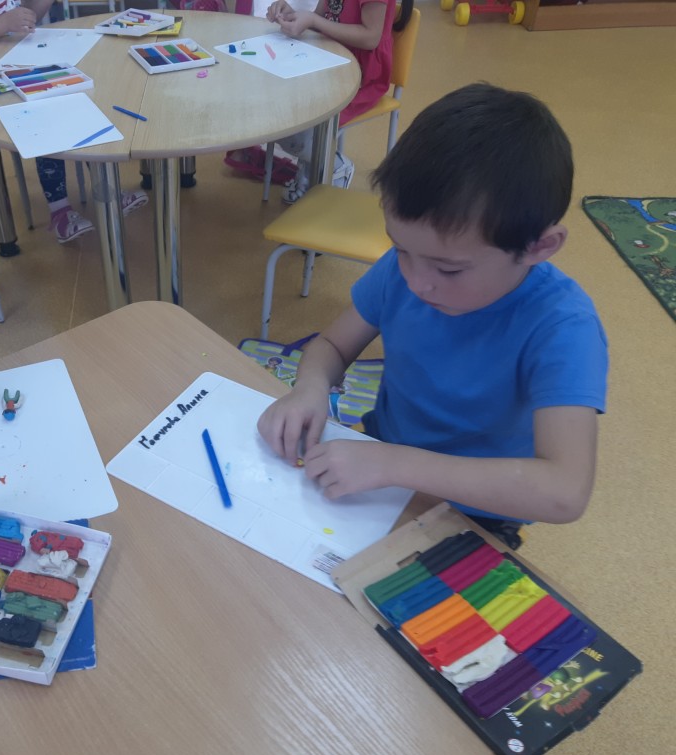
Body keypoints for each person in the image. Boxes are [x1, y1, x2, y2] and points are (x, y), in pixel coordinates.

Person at [257, 83, 608, 547]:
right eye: (400, 249)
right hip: (377, 465)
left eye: (449, 269)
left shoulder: (563, 328)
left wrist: (397, 464)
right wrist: (309, 389)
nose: (417, 282)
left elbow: (565, 491)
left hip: (475, 513)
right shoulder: (405, 270)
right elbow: (333, 346)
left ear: (538, 246)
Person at [0, 0, 147, 244]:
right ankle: (59, 211)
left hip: (17, 60)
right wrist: (3, 23)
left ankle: (106, 191)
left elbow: (28, 16)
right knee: (47, 116)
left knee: (81, 101)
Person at [267, 0, 412, 204]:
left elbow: (371, 37)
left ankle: (334, 166)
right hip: (328, 61)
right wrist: (293, 16)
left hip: (361, 77)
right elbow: (321, 18)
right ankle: (314, 165)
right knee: (279, 111)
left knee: (299, 127)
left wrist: (313, 20)